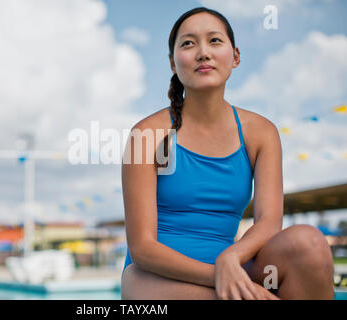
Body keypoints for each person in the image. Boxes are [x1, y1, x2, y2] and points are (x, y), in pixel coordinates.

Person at [120, 7, 334, 300]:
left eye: (214, 41)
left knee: (308, 241)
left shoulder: (261, 132)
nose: (203, 52)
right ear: (173, 62)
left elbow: (269, 221)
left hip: (233, 264)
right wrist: (227, 278)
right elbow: (142, 248)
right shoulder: (145, 134)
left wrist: (231, 259)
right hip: (156, 278)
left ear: (235, 57)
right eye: (188, 43)